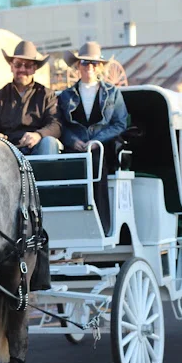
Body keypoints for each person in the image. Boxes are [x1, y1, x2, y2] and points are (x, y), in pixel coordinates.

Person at [58, 42, 129, 235]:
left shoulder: (112, 93)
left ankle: (102, 226)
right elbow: (60, 125)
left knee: (97, 166)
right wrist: (73, 141)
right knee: (69, 172)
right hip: (75, 148)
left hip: (101, 148)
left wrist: (96, 140)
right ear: (77, 66)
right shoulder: (66, 95)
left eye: (94, 63)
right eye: (84, 62)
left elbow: (120, 123)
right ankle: (71, 226)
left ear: (100, 67)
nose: (89, 67)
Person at [0, 40, 61, 155]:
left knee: (49, 142)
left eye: (28, 65)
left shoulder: (47, 95)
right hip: (6, 152)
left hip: (36, 148)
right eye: (18, 65)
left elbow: (56, 125)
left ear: (34, 69)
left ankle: (47, 173)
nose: (22, 70)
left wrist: (38, 135)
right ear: (11, 67)